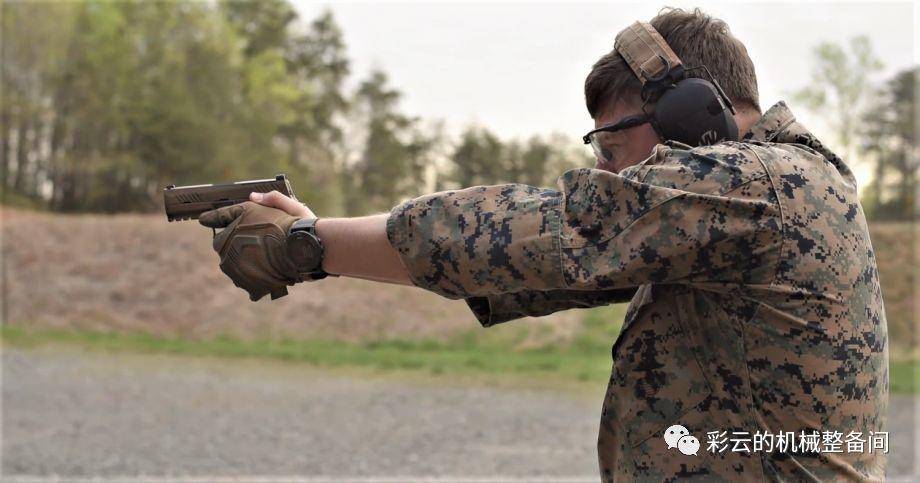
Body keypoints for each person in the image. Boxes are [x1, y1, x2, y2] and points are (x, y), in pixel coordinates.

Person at [199, 7, 888, 481]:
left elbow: (547, 229)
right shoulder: (742, 206)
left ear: (696, 116)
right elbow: (520, 266)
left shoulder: (765, 185)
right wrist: (316, 241)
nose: (607, 171)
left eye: (614, 147)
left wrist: (306, 245)